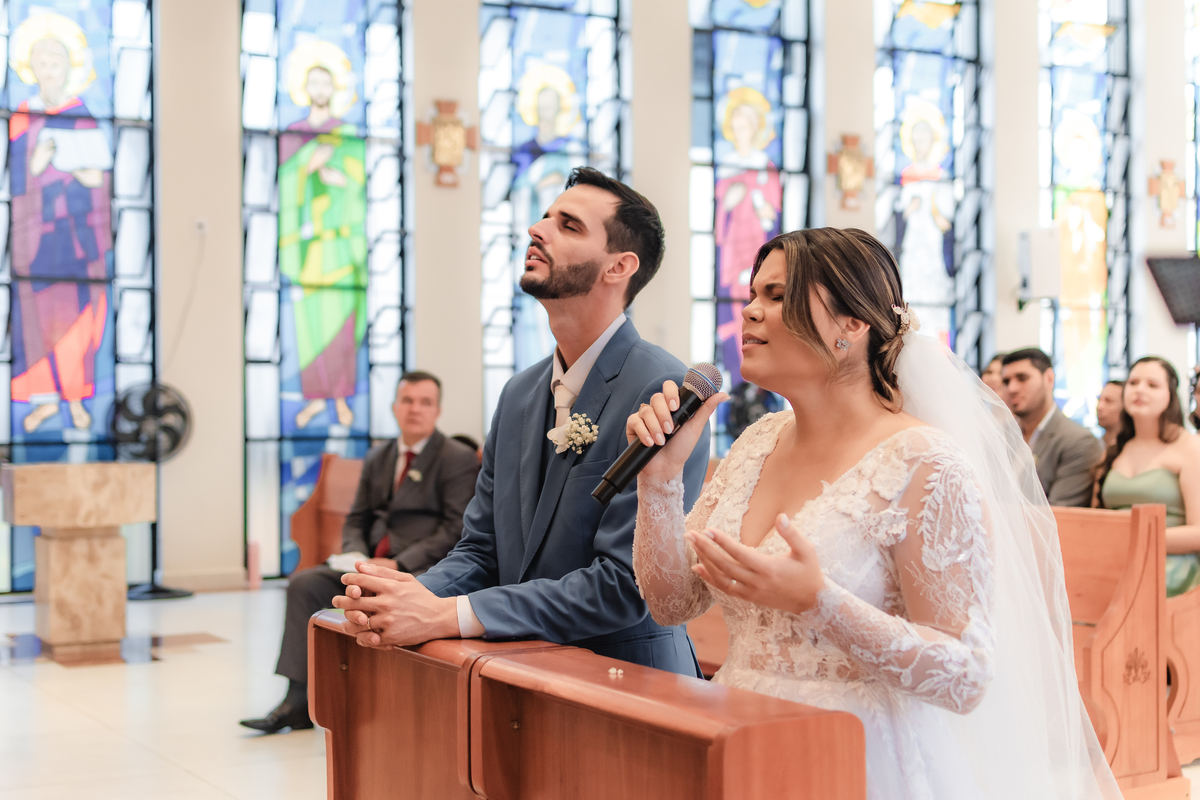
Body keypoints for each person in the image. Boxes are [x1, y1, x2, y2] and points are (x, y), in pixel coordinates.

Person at [628, 227, 1119, 799]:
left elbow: (967, 676)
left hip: (862, 758)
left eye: (777, 296)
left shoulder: (925, 463)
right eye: (752, 295)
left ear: (852, 326)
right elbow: (672, 601)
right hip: (746, 740)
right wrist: (657, 481)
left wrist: (820, 601)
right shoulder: (758, 442)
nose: (752, 313)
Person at [332, 167, 710, 675]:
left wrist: (450, 614)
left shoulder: (663, 388)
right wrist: (405, 597)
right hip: (519, 673)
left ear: (618, 267)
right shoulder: (518, 394)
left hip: (628, 680)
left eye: (569, 225)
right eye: (545, 216)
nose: (538, 229)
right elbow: (482, 549)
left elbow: (625, 584)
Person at [240, 372, 479, 733]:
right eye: (407, 400)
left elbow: (453, 529)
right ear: (395, 407)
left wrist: (397, 563)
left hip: (420, 569)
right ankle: (298, 699)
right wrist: (355, 555)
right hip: (367, 564)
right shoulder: (379, 456)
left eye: (424, 402)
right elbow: (357, 517)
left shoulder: (456, 458)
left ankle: (375, 702)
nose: (415, 409)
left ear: (438, 410)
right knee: (305, 584)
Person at [1096, 357, 1200, 597]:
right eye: (1133, 383)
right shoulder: (1118, 448)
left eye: (1152, 385)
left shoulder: (1190, 448)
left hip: (1172, 572)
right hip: (1114, 565)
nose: (1140, 390)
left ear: (1170, 396)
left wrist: (1137, 539)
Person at [1000, 347, 1103, 506]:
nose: (1012, 388)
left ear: (1049, 379)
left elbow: (1060, 513)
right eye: (1006, 382)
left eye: (1022, 378)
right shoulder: (1000, 436)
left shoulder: (1078, 441)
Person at [1096, 380, 1124, 448]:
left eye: (1108, 401)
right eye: (1099, 400)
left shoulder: (1134, 450)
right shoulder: (1093, 448)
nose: (1099, 407)